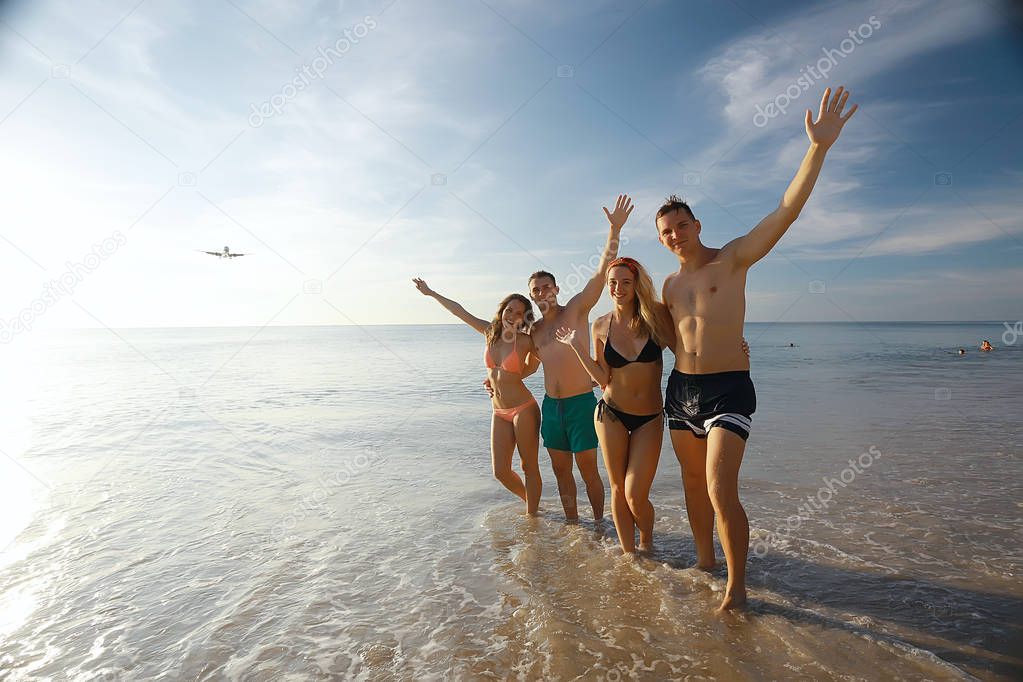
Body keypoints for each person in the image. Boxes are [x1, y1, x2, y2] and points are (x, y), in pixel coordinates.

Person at [657, 86, 857, 611]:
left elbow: (785, 211)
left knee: (721, 489)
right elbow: (664, 338)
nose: (676, 235)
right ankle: (705, 564)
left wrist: (817, 148)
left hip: (728, 390)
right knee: (693, 492)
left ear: (697, 225)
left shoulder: (733, 259)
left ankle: (736, 586)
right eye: (666, 232)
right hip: (679, 392)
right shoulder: (669, 287)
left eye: (681, 225)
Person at [507, 195, 634, 523]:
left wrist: (614, 230)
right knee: (561, 473)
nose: (541, 292)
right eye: (535, 289)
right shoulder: (533, 331)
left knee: (589, 471)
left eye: (546, 286)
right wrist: (496, 382)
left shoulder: (577, 309)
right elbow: (517, 361)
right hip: (552, 407)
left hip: (581, 404)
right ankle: (574, 528)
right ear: (532, 295)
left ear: (556, 288)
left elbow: (603, 267)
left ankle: (598, 525)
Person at [554, 257, 673, 554]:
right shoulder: (600, 324)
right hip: (611, 414)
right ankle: (630, 557)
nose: (618, 288)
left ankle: (647, 541)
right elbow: (603, 378)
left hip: (649, 418)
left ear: (636, 285)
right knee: (618, 489)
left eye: (625, 282)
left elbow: (686, 352)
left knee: (635, 494)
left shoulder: (656, 316)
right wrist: (576, 346)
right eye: (612, 283)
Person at [413, 278, 543, 514]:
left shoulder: (525, 341)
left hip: (524, 408)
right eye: (509, 309)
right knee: (500, 471)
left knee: (528, 466)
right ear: (502, 310)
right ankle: (531, 504)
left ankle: (532, 518)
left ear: (524, 319)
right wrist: (431, 293)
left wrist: (512, 378)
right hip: (499, 411)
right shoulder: (489, 333)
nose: (512, 315)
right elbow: (459, 311)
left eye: (518, 313)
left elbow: (538, 364)